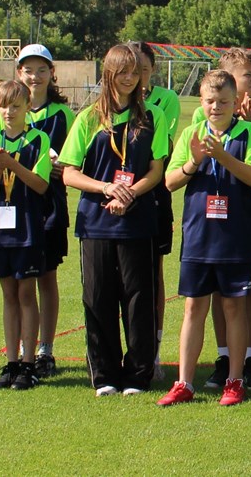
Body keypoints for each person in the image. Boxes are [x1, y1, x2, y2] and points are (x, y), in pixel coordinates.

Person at [58, 44, 169, 397]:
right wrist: (106, 187)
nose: (130, 79)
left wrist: (130, 193)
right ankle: (104, 374)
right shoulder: (89, 118)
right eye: (123, 72)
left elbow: (156, 170)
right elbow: (69, 173)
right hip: (96, 223)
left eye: (135, 72)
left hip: (138, 221)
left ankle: (138, 375)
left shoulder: (152, 116)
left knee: (138, 299)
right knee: (98, 298)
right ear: (108, 73)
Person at [158, 70, 251, 407]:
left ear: (235, 103)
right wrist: (194, 161)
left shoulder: (248, 132)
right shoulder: (192, 133)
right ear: (201, 102)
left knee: (233, 307)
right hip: (198, 235)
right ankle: (184, 382)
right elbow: (169, 182)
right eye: (210, 101)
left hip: (235, 237)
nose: (216, 107)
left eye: (223, 101)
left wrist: (222, 156)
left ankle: (235, 380)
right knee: (193, 307)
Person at [192, 48, 251, 392]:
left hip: (245, 210)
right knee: (218, 288)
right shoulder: (204, 115)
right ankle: (224, 357)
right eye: (248, 75)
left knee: (247, 286)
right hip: (210, 214)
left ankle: (250, 358)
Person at [0, 80, 51, 391]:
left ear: (27, 108)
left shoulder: (39, 139)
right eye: (4, 106)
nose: (9, 112)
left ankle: (29, 363)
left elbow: (40, 184)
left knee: (26, 294)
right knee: (8, 295)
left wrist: (12, 164)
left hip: (28, 228)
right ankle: (11, 363)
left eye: (16, 106)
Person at [13, 44, 74, 378]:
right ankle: (21, 352)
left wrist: (58, 165)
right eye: (28, 70)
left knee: (47, 277)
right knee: (20, 281)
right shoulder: (10, 110)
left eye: (41, 70)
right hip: (18, 206)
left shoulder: (62, 114)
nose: (34, 77)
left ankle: (45, 350)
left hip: (50, 204)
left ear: (52, 73)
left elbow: (73, 157)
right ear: (18, 73)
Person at [130, 41, 181, 381]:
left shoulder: (165, 101)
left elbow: (164, 149)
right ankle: (128, 352)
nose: (136, 76)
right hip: (117, 196)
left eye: (143, 69)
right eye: (130, 70)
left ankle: (154, 350)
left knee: (153, 273)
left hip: (154, 193)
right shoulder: (111, 103)